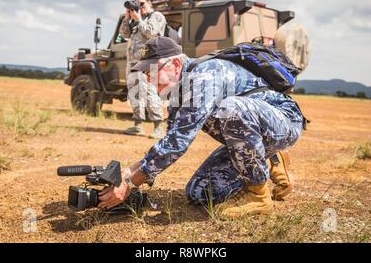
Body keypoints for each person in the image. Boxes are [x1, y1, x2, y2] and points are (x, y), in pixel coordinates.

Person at [98, 36, 305, 218]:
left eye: (153, 71)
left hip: (283, 121)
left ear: (176, 63)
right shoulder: (178, 94)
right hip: (253, 137)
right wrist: (129, 172)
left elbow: (178, 144)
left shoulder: (204, 75)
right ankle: (268, 158)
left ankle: (258, 194)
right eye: (146, 74)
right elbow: (170, 141)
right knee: (200, 192)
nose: (150, 80)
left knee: (232, 109)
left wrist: (131, 184)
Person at [119, 0, 166, 139]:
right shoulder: (135, 20)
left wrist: (139, 19)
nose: (139, 7)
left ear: (150, 3)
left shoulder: (156, 16)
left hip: (149, 61)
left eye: (142, 3)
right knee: (134, 94)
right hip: (133, 62)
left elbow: (151, 33)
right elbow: (124, 34)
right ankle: (138, 125)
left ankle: (159, 127)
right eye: (137, 4)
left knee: (150, 93)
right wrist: (127, 18)